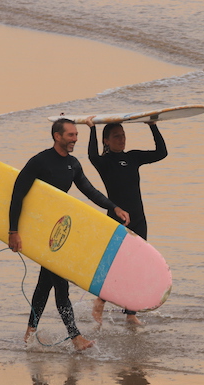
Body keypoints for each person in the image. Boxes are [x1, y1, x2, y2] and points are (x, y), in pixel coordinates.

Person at [9, 118, 129, 351]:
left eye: (76, 135)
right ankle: (75, 337)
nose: (75, 139)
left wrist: (113, 207)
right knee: (60, 283)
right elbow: (17, 195)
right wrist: (13, 231)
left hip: (58, 232)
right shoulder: (39, 162)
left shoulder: (72, 164)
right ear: (57, 136)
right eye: (71, 135)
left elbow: (89, 190)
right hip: (40, 230)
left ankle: (30, 332)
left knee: (45, 284)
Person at [86, 116, 168, 325]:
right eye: (116, 136)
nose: (121, 140)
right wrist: (92, 128)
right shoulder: (104, 163)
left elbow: (162, 153)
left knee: (137, 264)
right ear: (106, 140)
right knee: (115, 263)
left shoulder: (133, 157)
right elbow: (91, 155)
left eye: (123, 136)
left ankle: (130, 313)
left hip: (139, 218)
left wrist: (152, 126)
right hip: (116, 218)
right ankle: (101, 301)